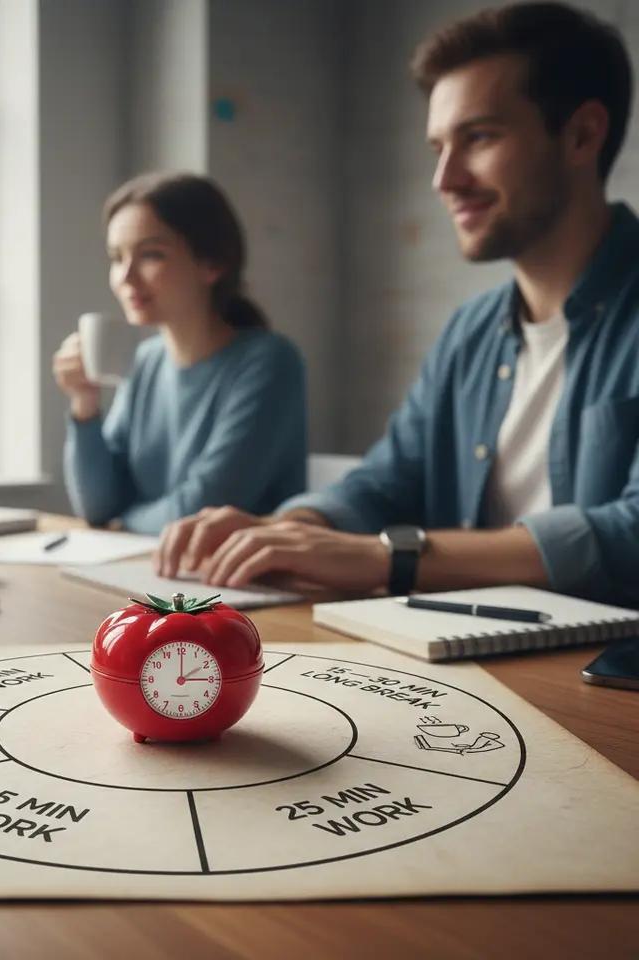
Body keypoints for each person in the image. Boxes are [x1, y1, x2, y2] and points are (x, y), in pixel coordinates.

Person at [156, 1, 639, 608]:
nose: (444, 179)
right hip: (467, 656)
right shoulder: (472, 331)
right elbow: (390, 480)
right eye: (438, 146)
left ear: (582, 134)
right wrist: (297, 528)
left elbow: (631, 532)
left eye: (479, 137)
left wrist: (386, 557)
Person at [53, 172, 309, 535]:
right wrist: (84, 404)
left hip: (244, 583)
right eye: (116, 257)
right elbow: (97, 507)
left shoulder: (270, 363)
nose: (125, 277)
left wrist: (123, 521)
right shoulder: (146, 361)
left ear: (212, 263)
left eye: (150, 255)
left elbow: (203, 506)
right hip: (156, 570)